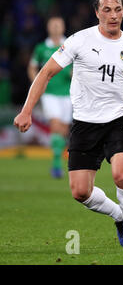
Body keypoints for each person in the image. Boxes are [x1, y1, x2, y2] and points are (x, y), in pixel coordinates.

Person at [14, 0, 123, 249]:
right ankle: (119, 216)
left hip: (118, 121)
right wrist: (27, 109)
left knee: (122, 175)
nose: (113, 15)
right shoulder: (78, 41)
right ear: (97, 12)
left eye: (117, 10)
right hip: (85, 123)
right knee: (80, 192)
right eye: (107, 9)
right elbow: (46, 73)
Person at [28, 16, 72, 179]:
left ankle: (57, 160)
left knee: (63, 130)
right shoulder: (41, 48)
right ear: (48, 28)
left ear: (63, 27)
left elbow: (78, 68)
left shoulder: (69, 45)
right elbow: (32, 67)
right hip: (49, 94)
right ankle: (56, 165)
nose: (55, 27)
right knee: (55, 125)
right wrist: (37, 84)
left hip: (68, 93)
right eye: (52, 25)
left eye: (58, 25)